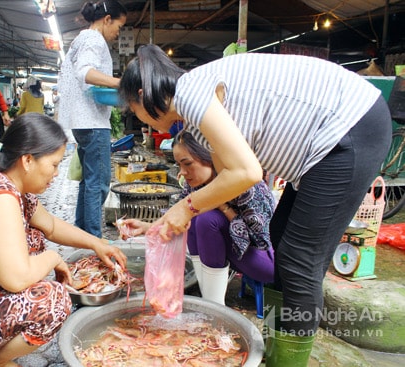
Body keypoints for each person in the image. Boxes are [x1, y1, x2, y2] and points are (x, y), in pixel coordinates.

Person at [118, 44, 392, 366]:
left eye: (132, 109)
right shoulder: (194, 116)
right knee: (280, 245)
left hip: (349, 129)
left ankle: (287, 362)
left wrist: (185, 209)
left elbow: (247, 173)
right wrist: (164, 222)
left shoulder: (188, 92)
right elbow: (219, 183)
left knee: (298, 261)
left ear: (141, 95)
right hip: (329, 144)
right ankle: (279, 351)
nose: (137, 118)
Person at [0, 113, 127, 366]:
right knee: (52, 300)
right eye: (54, 164)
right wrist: (53, 257)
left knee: (43, 283)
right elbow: (15, 279)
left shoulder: (15, 189)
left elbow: (50, 225)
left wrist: (97, 244)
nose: (57, 173)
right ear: (27, 160)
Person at [121, 131, 275, 305]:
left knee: (206, 219)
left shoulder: (247, 184)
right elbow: (178, 217)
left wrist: (221, 205)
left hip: (266, 261)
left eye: (188, 164)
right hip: (234, 255)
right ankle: (209, 299)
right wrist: (146, 227)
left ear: (209, 157)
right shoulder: (196, 185)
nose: (183, 172)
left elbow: (260, 239)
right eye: (179, 165)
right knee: (193, 216)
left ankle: (215, 306)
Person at [58, 0, 127, 238]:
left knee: (89, 181)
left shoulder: (82, 38)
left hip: (83, 120)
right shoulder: (93, 39)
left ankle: (82, 234)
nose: (118, 33)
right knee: (98, 183)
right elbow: (85, 72)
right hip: (92, 121)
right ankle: (94, 240)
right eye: (118, 26)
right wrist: (121, 83)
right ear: (107, 19)